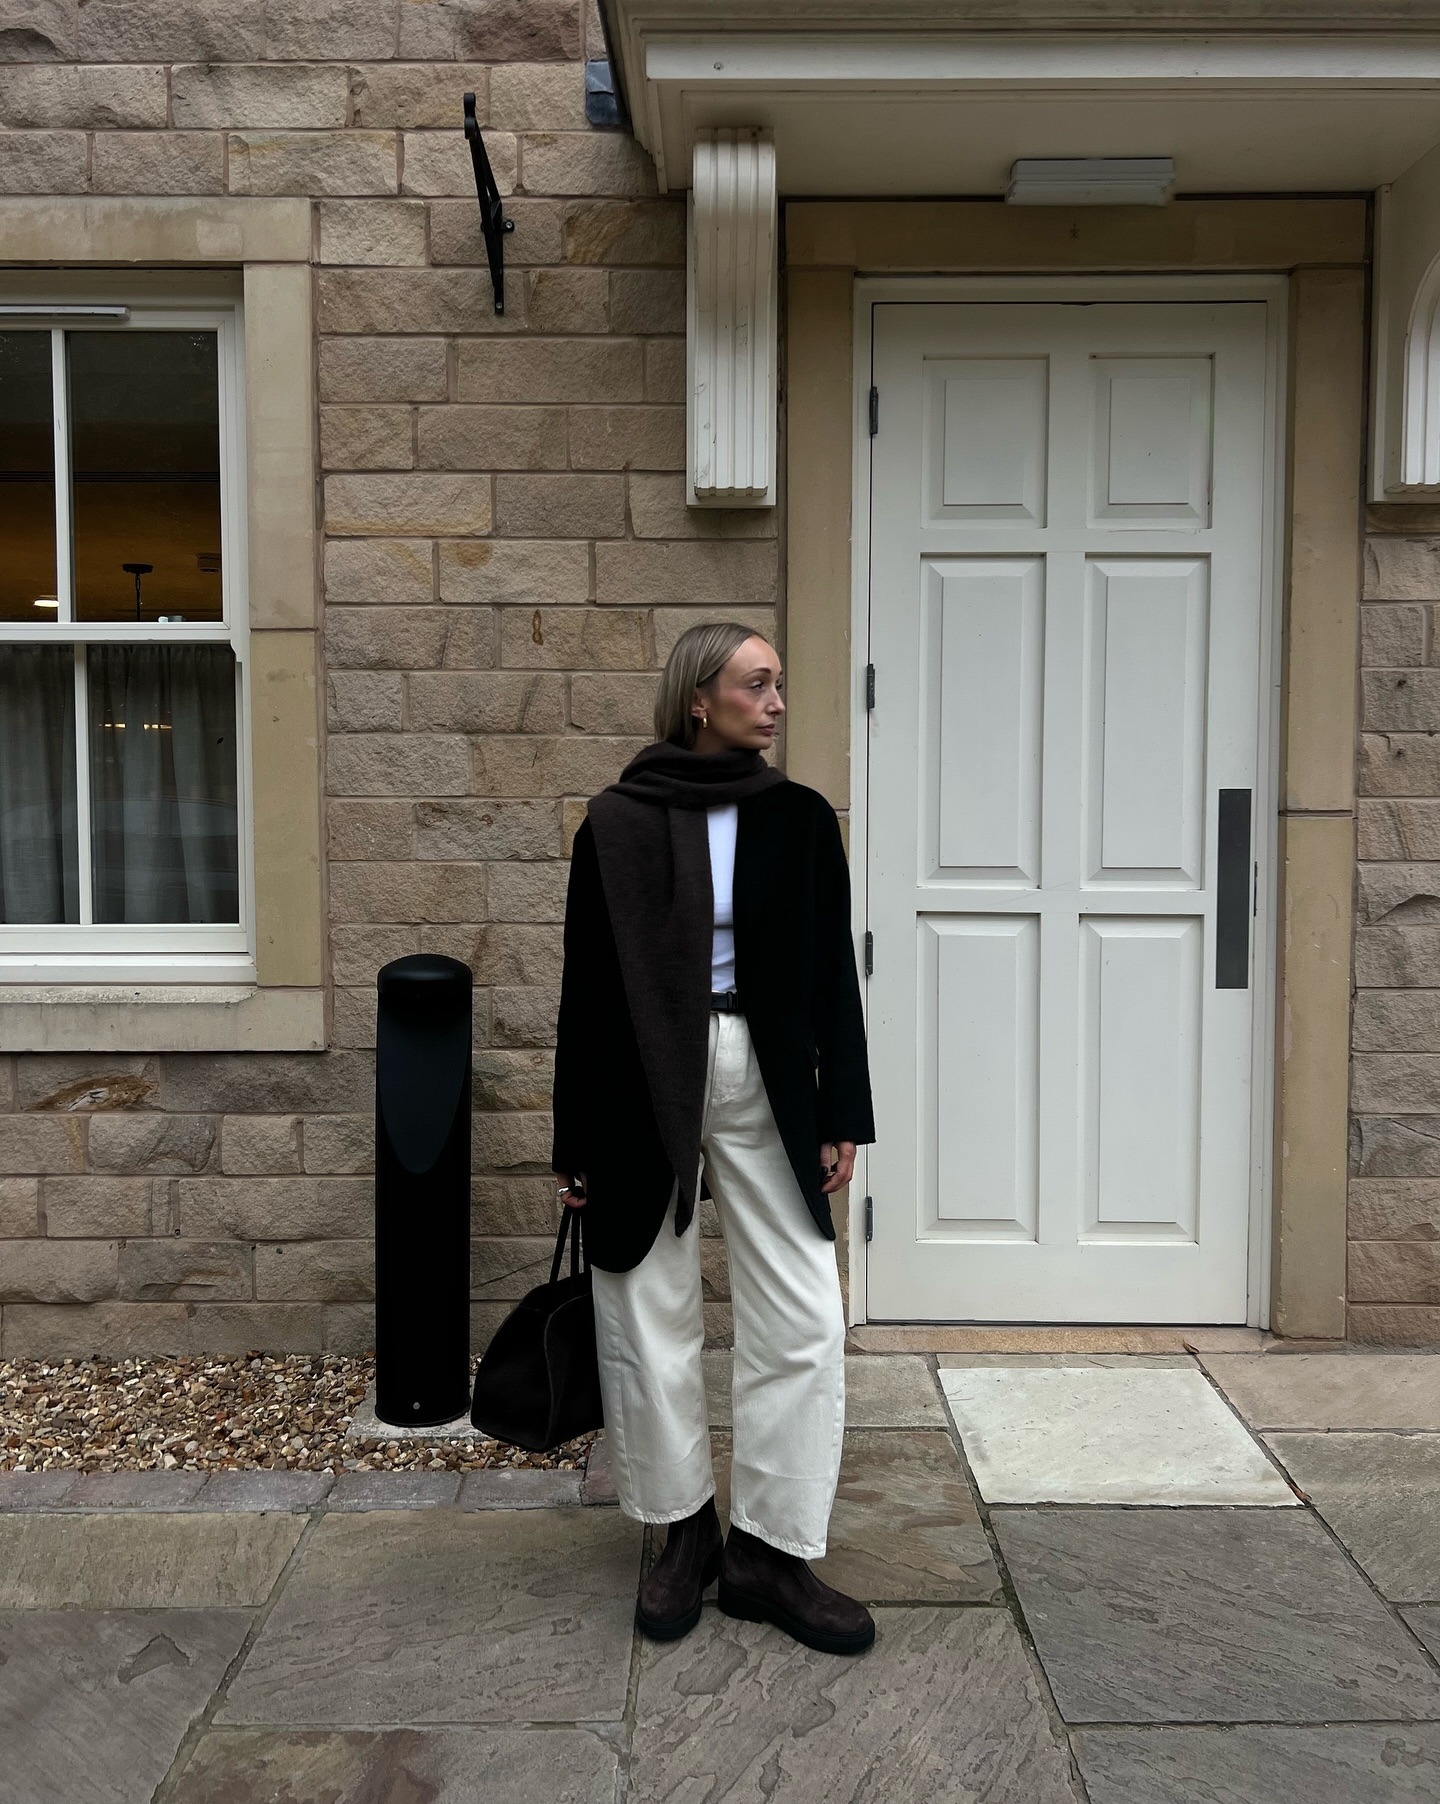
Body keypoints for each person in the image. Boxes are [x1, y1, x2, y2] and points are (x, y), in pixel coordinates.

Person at [551, 619, 876, 1657]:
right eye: (756, 683)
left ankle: (770, 1553)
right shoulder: (616, 821)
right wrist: (574, 1139)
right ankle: (683, 1531)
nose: (776, 701)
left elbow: (834, 976)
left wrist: (845, 1111)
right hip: (643, 1074)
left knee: (804, 1316)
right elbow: (587, 993)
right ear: (700, 698)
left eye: (779, 683)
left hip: (767, 1074)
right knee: (648, 1308)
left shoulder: (798, 818)